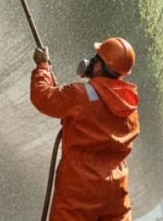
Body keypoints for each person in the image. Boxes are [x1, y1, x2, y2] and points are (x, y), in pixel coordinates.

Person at [31, 37, 140, 221]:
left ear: (98, 66)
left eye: (96, 58)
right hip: (116, 189)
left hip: (79, 186)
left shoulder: (80, 95)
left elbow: (42, 96)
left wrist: (42, 66)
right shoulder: (130, 107)